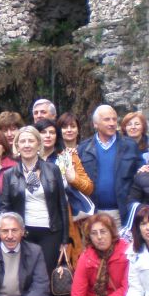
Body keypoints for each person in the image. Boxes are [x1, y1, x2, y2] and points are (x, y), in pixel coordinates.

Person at [0, 126, 69, 279]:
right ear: (17, 146)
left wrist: (65, 239)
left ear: (38, 144)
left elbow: (62, 205)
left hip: (50, 232)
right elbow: (5, 207)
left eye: (31, 141)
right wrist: (2, 233)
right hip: (23, 232)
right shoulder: (9, 175)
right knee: (24, 275)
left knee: (44, 274)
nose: (27, 145)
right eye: (22, 141)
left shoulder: (53, 169)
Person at [77, 104, 141, 227]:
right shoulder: (83, 149)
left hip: (121, 214)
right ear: (95, 124)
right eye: (107, 119)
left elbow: (141, 176)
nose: (112, 123)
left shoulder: (130, 146)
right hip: (92, 215)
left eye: (114, 119)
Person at [54, 112, 94, 269]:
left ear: (78, 129)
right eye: (64, 127)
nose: (69, 130)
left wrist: (73, 179)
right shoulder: (53, 154)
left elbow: (89, 186)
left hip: (79, 214)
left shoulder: (85, 151)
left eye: (73, 126)